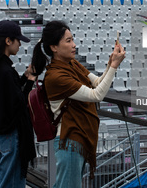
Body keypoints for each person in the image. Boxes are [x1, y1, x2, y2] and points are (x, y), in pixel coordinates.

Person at [31, 20, 126, 188]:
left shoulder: (71, 64)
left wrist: (111, 64)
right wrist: (113, 67)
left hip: (76, 139)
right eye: (68, 41)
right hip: (69, 140)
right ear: (54, 47)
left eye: (72, 39)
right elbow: (96, 95)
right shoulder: (56, 76)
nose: (74, 45)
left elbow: (96, 82)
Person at [0, 20, 36, 188]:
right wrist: (31, 82)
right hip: (11, 133)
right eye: (17, 40)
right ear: (8, 41)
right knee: (11, 181)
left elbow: (10, 92)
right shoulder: (5, 70)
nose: (20, 44)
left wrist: (25, 77)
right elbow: (18, 102)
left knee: (2, 179)